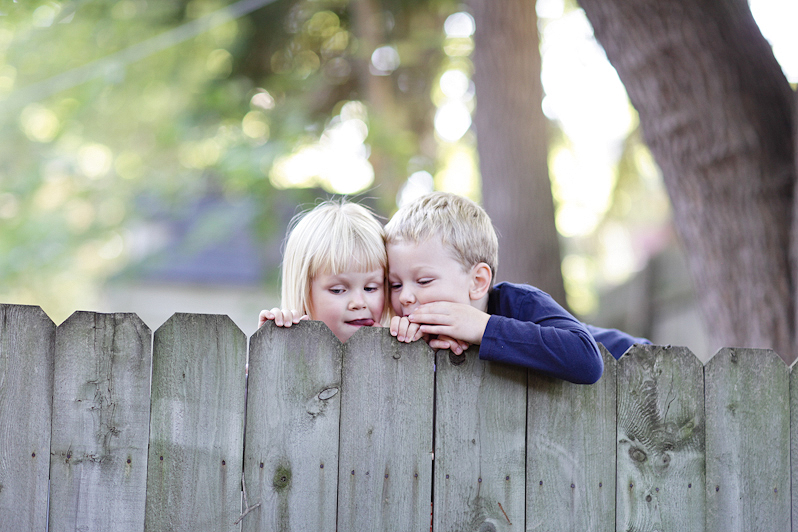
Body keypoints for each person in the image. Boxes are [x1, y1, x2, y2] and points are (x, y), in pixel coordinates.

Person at [387, 191, 650, 384]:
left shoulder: (520, 302)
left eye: (423, 281)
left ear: (478, 282)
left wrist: (481, 327)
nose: (405, 296)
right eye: (395, 284)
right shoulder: (418, 323)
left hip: (641, 366)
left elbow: (586, 361)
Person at [258, 200, 389, 343]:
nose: (359, 303)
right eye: (338, 290)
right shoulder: (287, 349)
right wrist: (270, 347)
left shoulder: (397, 354)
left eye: (370, 288)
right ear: (304, 292)